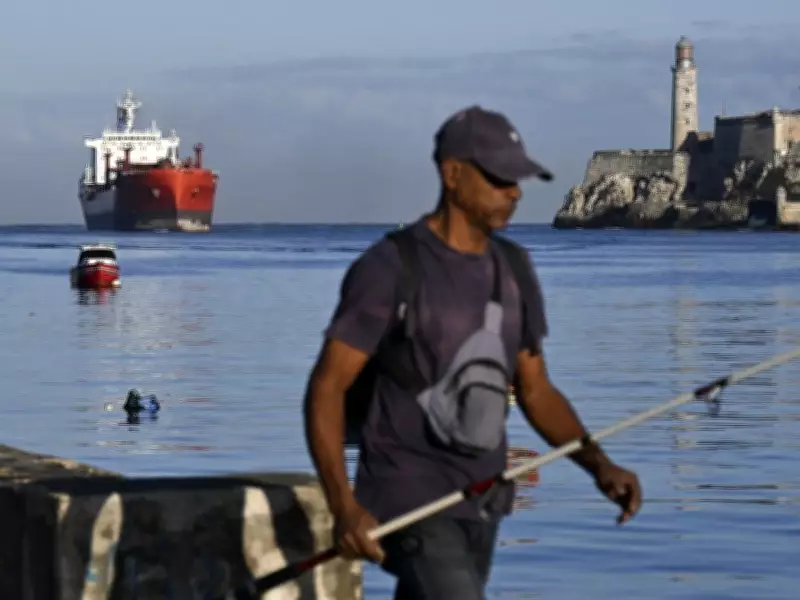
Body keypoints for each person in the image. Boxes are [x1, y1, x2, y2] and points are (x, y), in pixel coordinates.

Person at [303, 105, 642, 599]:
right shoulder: (391, 267)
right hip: (407, 499)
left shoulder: (514, 268)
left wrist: (599, 465)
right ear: (453, 174)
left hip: (482, 501)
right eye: (501, 179)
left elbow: (536, 390)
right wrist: (343, 504)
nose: (515, 192)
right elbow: (327, 387)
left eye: (518, 180)